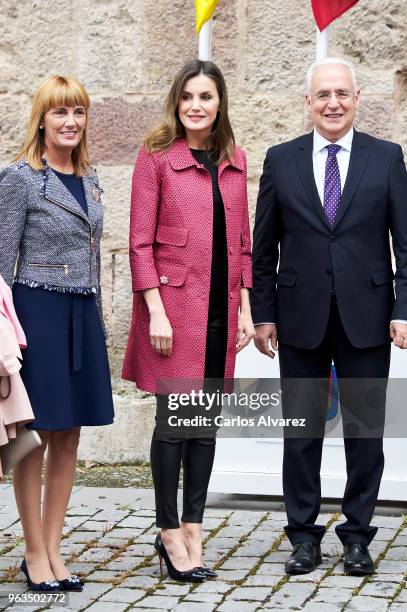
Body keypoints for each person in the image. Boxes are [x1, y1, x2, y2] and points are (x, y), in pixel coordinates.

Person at [251, 58, 407, 576]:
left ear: (358, 97)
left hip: (368, 316)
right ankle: (303, 536)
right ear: (308, 103)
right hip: (299, 317)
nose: (333, 103)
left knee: (365, 433)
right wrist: (263, 315)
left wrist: (404, 309)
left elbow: (405, 245)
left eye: (342, 93)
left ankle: (358, 535)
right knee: (302, 434)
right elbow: (264, 247)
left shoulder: (387, 159)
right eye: (323, 95)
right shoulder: (281, 159)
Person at [122, 59, 254, 582]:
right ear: (176, 103)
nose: (196, 106)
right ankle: (168, 529)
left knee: (204, 428)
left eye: (206, 96)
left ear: (220, 103)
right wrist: (154, 308)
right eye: (188, 97)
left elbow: (241, 245)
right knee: (174, 427)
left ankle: (195, 527)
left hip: (220, 312)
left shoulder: (236, 159)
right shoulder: (156, 157)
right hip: (173, 313)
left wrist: (245, 308)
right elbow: (139, 241)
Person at [0, 76, 114, 591]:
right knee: (34, 437)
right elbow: (1, 264)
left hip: (82, 315)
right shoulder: (20, 179)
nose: (70, 121)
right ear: (42, 119)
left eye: (78, 112)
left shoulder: (90, 180)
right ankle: (32, 550)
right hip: (37, 314)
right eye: (60, 112)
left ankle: (54, 548)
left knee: (68, 434)